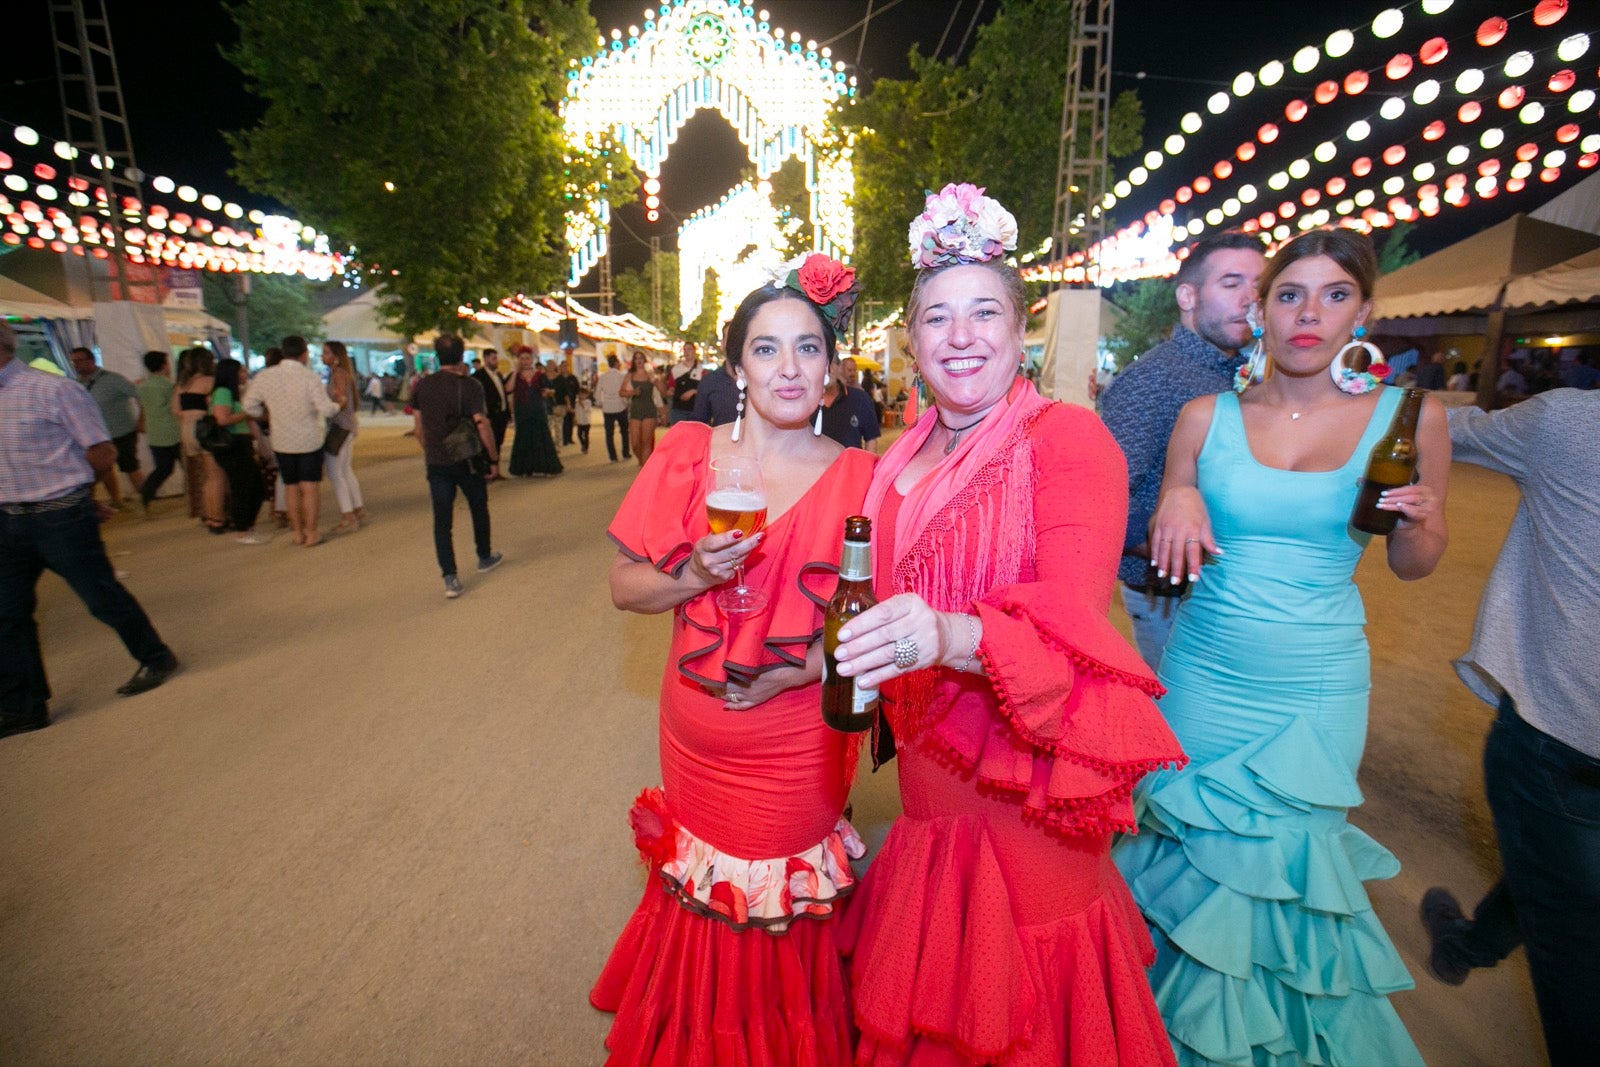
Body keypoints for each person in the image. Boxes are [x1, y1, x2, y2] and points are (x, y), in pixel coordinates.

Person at [830, 185, 1185, 1066]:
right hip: (929, 776)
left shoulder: (1067, 440)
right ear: (908, 340)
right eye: (937, 318)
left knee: (1023, 996)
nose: (960, 336)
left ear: (1020, 328)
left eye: (984, 312)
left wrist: (948, 636)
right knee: (943, 989)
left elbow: (1072, 615)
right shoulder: (900, 454)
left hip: (1028, 777)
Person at [1112, 228, 1450, 1066]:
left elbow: (1412, 567)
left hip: (1319, 686)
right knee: (1182, 867)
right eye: (1289, 293)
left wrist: (1425, 519)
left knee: (1287, 892)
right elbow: (1169, 499)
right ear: (1261, 309)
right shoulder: (1204, 413)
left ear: (1364, 311)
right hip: (1204, 677)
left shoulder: (1411, 418)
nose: (1309, 312)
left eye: (1334, 295)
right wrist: (1179, 495)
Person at [590, 255, 873, 1066]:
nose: (789, 367)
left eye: (808, 348)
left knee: (778, 909)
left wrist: (806, 668)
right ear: (736, 366)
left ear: (830, 367)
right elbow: (623, 587)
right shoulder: (687, 454)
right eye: (766, 348)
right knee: (701, 897)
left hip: (794, 746)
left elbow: (878, 623)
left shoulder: (864, 479)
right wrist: (693, 574)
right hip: (693, 738)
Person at [1418, 388, 1600, 1067]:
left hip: (1565, 732)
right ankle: (1467, 945)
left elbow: (1445, 427)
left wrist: (1361, 385)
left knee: (1574, 953)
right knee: (1561, 865)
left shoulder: (1570, 421)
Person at [0, 322, 179, 739]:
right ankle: (24, 705)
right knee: (6, 616)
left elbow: (101, 451)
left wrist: (83, 495)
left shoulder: (54, 390)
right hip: (6, 521)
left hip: (60, 517)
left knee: (101, 597)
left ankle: (155, 656)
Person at [1099, 231, 1266, 669]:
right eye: (1231, 284)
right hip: (1175, 598)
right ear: (1188, 296)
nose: (1249, 299)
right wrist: (1187, 552)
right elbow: (1107, 498)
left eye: (1258, 287)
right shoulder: (1155, 379)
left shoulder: (1245, 374)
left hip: (1227, 592)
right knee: (1186, 729)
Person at [410, 335, 502, 599]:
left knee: (442, 520)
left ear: (437, 355)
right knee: (478, 507)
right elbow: (481, 423)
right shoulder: (470, 385)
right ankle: (484, 556)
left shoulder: (422, 386)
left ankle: (450, 576)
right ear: (462, 355)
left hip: (437, 462)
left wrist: (432, 451)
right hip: (468, 459)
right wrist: (493, 458)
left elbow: (418, 430)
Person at [242, 335, 340, 547]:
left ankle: (297, 533)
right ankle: (311, 532)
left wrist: (265, 414)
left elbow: (248, 405)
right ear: (304, 354)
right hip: (308, 440)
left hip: (282, 440)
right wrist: (338, 404)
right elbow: (326, 408)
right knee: (310, 487)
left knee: (291, 487)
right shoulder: (309, 377)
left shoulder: (266, 376)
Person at [69, 346, 143, 508]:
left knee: (130, 466)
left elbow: (139, 394)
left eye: (79, 361)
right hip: (95, 436)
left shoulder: (112, 379)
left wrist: (141, 420)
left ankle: (146, 499)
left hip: (121, 431)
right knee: (103, 469)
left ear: (91, 360)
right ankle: (116, 500)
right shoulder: (75, 385)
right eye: (74, 362)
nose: (76, 365)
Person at [208, 358, 267, 544]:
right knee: (243, 487)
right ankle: (243, 529)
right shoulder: (223, 392)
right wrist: (247, 412)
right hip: (232, 445)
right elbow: (222, 419)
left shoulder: (232, 393)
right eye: (241, 371)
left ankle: (247, 526)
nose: (244, 374)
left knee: (254, 485)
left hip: (240, 443)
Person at [320, 341, 366, 535]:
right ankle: (358, 510)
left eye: (326, 352)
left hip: (340, 427)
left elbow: (340, 399)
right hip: (347, 426)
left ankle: (348, 516)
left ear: (336, 356)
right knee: (344, 470)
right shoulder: (342, 374)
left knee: (334, 471)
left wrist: (327, 407)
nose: (322, 356)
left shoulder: (338, 374)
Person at [172, 347, 215, 522]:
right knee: (213, 475)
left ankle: (204, 512)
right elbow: (214, 406)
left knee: (198, 475)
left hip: (186, 430)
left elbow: (175, 410)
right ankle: (215, 514)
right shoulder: (208, 382)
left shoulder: (182, 385)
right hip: (204, 428)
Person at [135, 350, 181, 514]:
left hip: (154, 433)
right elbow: (176, 408)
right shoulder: (169, 385)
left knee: (163, 469)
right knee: (188, 467)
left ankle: (145, 496)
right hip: (174, 431)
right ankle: (196, 499)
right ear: (163, 365)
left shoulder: (142, 386)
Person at [506, 346, 562, 478]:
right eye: (522, 359)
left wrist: (547, 392)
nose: (525, 361)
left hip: (537, 410)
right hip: (522, 411)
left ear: (532, 360)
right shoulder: (516, 376)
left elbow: (550, 390)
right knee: (523, 437)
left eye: (527, 358)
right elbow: (508, 388)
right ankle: (525, 468)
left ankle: (546, 467)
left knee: (541, 437)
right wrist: (515, 371)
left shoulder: (539, 375)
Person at [817, 351, 881, 452]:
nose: (827, 369)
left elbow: (871, 439)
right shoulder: (802, 403)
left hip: (851, 466)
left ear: (839, 367)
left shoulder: (860, 399)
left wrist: (866, 467)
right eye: (820, 363)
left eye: (831, 363)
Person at [620, 350, 661, 468]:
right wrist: (633, 392)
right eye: (636, 358)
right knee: (635, 443)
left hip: (649, 409)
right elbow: (621, 392)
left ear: (644, 360)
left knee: (646, 442)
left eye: (641, 358)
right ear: (633, 361)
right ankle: (642, 460)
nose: (639, 360)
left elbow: (661, 390)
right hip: (635, 410)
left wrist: (656, 379)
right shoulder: (630, 375)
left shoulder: (650, 374)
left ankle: (645, 468)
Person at [472, 347, 511, 466]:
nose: (496, 361)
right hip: (489, 415)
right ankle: (489, 468)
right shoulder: (478, 377)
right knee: (488, 442)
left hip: (501, 414)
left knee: (498, 441)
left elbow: (503, 392)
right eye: (493, 358)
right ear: (486, 359)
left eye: (496, 358)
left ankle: (495, 466)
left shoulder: (498, 375)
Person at [595, 354, 630, 461]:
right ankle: (625, 453)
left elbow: (597, 393)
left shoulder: (603, 377)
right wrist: (626, 403)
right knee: (624, 432)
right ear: (615, 364)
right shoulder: (621, 376)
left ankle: (612, 456)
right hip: (620, 406)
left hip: (607, 407)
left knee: (609, 433)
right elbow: (625, 391)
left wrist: (600, 403)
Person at [688, 356, 741, 426]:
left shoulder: (757, 379)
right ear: (723, 345)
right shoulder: (710, 381)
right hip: (720, 435)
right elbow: (698, 422)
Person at [666, 342, 699, 426]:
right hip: (678, 409)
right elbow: (671, 386)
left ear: (694, 351)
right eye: (685, 349)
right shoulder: (675, 369)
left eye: (689, 349)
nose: (686, 352)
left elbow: (705, 389)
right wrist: (670, 391)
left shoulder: (701, 370)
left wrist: (693, 391)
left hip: (695, 409)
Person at [552, 360, 580, 445]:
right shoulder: (557, 378)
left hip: (571, 401)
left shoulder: (573, 378)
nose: (564, 368)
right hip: (561, 402)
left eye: (566, 366)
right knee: (562, 421)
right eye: (563, 366)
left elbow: (577, 389)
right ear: (560, 367)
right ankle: (563, 439)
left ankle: (569, 438)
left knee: (570, 420)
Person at [573, 387, 593, 454]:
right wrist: (575, 419)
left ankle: (586, 448)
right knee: (579, 434)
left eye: (583, 394)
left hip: (586, 421)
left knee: (586, 435)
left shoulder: (588, 402)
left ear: (586, 395)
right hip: (580, 421)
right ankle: (583, 444)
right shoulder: (576, 403)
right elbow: (576, 411)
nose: (581, 396)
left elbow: (587, 409)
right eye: (580, 394)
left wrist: (581, 403)